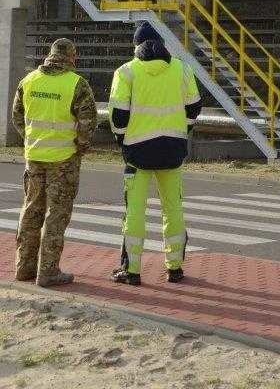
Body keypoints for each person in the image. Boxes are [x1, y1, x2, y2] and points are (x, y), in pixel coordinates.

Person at [109, 21, 202, 286]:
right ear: (163, 43)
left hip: (137, 153)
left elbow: (118, 116)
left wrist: (122, 139)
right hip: (172, 151)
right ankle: (174, 268)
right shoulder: (182, 69)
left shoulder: (126, 72)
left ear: (136, 44)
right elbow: (194, 107)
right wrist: (181, 130)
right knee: (173, 209)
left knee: (135, 212)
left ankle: (133, 271)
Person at [12, 38, 97, 287]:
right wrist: (80, 148)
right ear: (71, 57)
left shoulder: (28, 81)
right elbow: (87, 123)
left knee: (31, 212)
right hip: (63, 161)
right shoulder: (76, 83)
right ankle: (47, 271)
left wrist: (32, 140)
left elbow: (18, 117)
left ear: (50, 55)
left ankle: (24, 267)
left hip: (34, 158)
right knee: (56, 216)